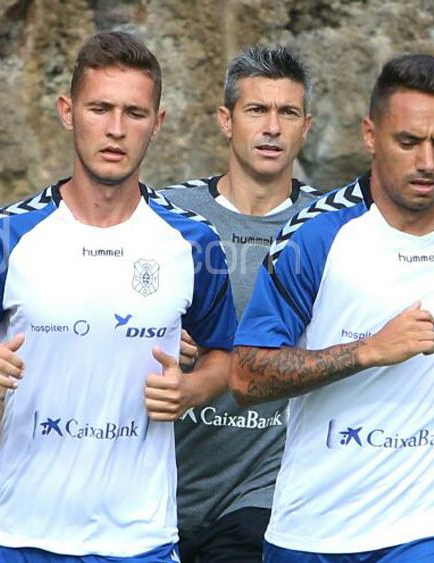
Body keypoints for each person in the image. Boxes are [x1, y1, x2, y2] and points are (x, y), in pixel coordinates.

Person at [0, 31, 237, 562]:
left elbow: (226, 356)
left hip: (140, 539)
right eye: (100, 108)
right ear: (67, 112)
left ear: (158, 123)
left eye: (134, 113)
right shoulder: (7, 236)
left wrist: (192, 389)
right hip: (23, 534)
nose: (116, 129)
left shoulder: (192, 241)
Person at [232, 54, 434, 562]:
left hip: (433, 522)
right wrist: (368, 351)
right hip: (314, 528)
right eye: (408, 142)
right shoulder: (315, 236)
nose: (427, 162)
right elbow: (246, 377)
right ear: (371, 135)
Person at [156, 45, 319, 563]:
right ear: (226, 120)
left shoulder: (329, 226)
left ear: (306, 127)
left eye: (287, 113)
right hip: (159, 480)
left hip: (264, 489)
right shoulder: (165, 214)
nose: (272, 127)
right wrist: (158, 332)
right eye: (256, 110)